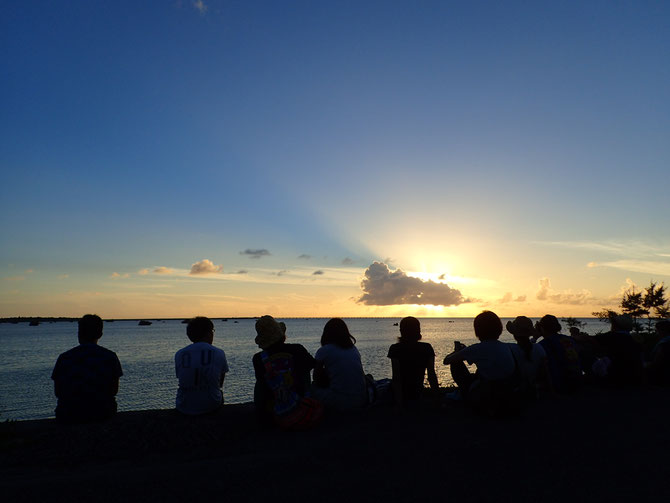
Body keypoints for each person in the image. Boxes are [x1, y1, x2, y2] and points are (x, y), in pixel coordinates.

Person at [252, 315, 321, 429]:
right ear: (281, 335)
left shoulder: (258, 359)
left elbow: (262, 385)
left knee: (261, 382)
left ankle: (261, 415)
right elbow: (314, 365)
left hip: (274, 414)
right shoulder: (298, 349)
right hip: (302, 409)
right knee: (305, 370)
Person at [51, 314, 123, 423]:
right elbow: (113, 390)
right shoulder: (110, 357)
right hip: (102, 413)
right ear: (100, 334)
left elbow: (58, 391)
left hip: (69, 414)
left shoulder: (65, 358)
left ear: (79, 333)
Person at [443, 311, 517, 413]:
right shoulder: (507, 346)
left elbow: (446, 360)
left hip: (486, 392)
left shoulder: (477, 348)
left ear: (477, 331)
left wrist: (457, 352)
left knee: (456, 363)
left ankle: (464, 394)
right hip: (507, 390)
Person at [174, 316, 228, 415]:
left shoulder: (179, 354)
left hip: (183, 405)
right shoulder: (218, 352)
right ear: (209, 333)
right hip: (211, 405)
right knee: (218, 394)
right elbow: (220, 383)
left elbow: (181, 378)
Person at [311, 318, 368, 411]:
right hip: (362, 399)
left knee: (312, 388)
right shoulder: (353, 349)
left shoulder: (324, 350)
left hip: (340, 402)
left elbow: (316, 378)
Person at [387, 316, 439, 408]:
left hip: (402, 395)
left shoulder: (395, 349)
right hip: (418, 392)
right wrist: (437, 399)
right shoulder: (427, 348)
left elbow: (396, 377)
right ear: (418, 330)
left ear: (401, 331)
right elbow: (431, 375)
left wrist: (399, 403)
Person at [534, 315, 582, 393]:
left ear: (541, 328)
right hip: (576, 381)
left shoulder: (544, 344)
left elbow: (528, 355)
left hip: (558, 385)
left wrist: (534, 338)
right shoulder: (569, 340)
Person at [506, 316, 551, 399]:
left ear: (514, 335)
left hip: (518, 393)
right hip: (535, 392)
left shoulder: (510, 349)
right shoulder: (539, 348)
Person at [646, 320, 670, 386]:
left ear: (663, 331)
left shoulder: (664, 344)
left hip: (661, 375)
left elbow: (657, 361)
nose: (656, 333)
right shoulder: (665, 341)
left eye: (657, 330)